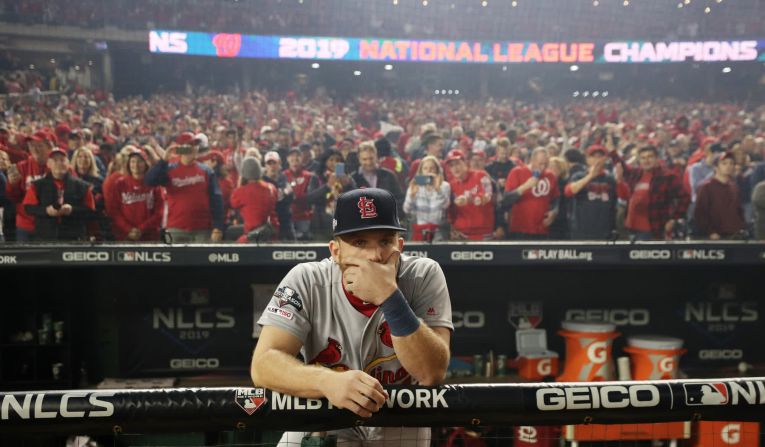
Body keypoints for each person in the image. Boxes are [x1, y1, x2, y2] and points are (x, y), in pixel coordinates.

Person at [251, 187, 452, 446]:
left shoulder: (423, 275)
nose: (375, 255)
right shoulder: (307, 279)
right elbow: (263, 365)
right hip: (326, 407)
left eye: (385, 240)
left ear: (399, 245)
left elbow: (431, 373)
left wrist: (390, 297)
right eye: (359, 242)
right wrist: (325, 381)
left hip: (400, 415)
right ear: (336, 251)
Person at [144, 138, 224, 243]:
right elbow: (149, 181)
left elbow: (216, 200)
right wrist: (164, 160)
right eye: (189, 146)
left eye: (195, 146)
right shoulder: (169, 170)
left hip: (202, 228)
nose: (193, 149)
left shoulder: (207, 171)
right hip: (176, 228)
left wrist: (217, 226)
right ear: (181, 150)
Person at [611, 144, 689, 240]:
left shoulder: (668, 176)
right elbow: (622, 167)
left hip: (654, 229)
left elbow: (684, 197)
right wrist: (612, 152)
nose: (646, 161)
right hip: (631, 227)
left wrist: (674, 219)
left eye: (650, 157)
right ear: (639, 160)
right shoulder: (636, 174)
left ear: (657, 158)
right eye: (643, 158)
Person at [22, 149, 95, 241]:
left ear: (68, 164)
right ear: (48, 164)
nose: (59, 163)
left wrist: (72, 209)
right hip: (45, 238)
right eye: (55, 160)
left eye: (62, 160)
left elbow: (91, 210)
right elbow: (28, 208)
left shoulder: (82, 186)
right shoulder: (37, 185)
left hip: (74, 238)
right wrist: (46, 211)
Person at [564, 145, 622, 240]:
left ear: (605, 159)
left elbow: (622, 200)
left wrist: (620, 182)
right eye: (593, 156)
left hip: (605, 230)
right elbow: (568, 191)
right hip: (582, 230)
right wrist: (590, 176)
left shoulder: (610, 179)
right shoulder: (578, 176)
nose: (597, 159)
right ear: (587, 159)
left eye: (600, 156)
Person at [5, 130, 54, 241]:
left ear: (49, 147)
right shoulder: (21, 167)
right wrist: (13, 185)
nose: (35, 149)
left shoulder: (59, 166)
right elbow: (13, 198)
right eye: (32, 146)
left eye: (39, 146)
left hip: (51, 223)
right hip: (26, 224)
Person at [503, 147, 560, 240]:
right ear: (532, 160)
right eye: (540, 164)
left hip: (542, 229)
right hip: (521, 229)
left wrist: (554, 211)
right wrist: (524, 187)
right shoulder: (517, 172)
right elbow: (506, 200)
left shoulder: (550, 175)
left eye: (546, 164)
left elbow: (556, 198)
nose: (543, 167)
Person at [110, 149, 164, 242]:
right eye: (133, 161)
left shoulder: (154, 184)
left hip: (150, 234)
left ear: (146, 163)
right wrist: (128, 229)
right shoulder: (120, 183)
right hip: (126, 234)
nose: (136, 165)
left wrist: (141, 229)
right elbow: (114, 211)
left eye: (140, 161)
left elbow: (160, 212)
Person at [693, 152, 746, 240]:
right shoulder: (706, 187)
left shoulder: (734, 187)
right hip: (715, 236)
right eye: (724, 163)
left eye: (731, 163)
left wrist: (741, 227)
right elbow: (700, 213)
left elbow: (739, 210)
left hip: (734, 235)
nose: (728, 166)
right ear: (716, 167)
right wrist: (710, 232)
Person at [445, 149, 495, 240]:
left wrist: (469, 199)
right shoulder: (451, 185)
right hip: (461, 234)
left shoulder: (481, 175)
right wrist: (452, 227)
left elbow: (488, 197)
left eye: (457, 163)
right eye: (451, 166)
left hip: (483, 233)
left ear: (465, 163)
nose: (455, 168)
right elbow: (450, 211)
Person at [230, 157, 280, 243]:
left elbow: (233, 204)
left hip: (253, 236)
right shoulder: (271, 187)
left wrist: (240, 184)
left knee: (237, 244)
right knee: (231, 231)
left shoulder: (241, 191)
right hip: (272, 231)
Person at [403, 155, 451, 241]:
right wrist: (412, 195)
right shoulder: (415, 186)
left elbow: (445, 205)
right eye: (425, 168)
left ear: (437, 171)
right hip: (419, 231)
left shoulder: (444, 186)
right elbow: (407, 210)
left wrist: (437, 189)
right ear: (421, 172)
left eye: (432, 168)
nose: (429, 171)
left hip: (438, 232)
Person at [352, 142, 405, 213]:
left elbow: (400, 199)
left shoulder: (389, 175)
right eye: (364, 159)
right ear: (359, 159)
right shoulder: (353, 179)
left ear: (376, 157)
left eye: (371, 158)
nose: (368, 162)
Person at [284, 148, 319, 240]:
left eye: (297, 159)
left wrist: (293, 196)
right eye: (292, 159)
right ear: (288, 159)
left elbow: (311, 197)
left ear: (301, 159)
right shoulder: (283, 176)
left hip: (304, 216)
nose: (294, 162)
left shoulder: (310, 176)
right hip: (287, 217)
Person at [262, 150, 296, 241]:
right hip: (268, 222)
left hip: (285, 220)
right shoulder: (262, 181)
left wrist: (284, 194)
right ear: (265, 166)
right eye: (269, 163)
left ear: (279, 164)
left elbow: (291, 197)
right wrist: (284, 193)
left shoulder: (284, 178)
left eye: (274, 163)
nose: (272, 166)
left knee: (294, 247)